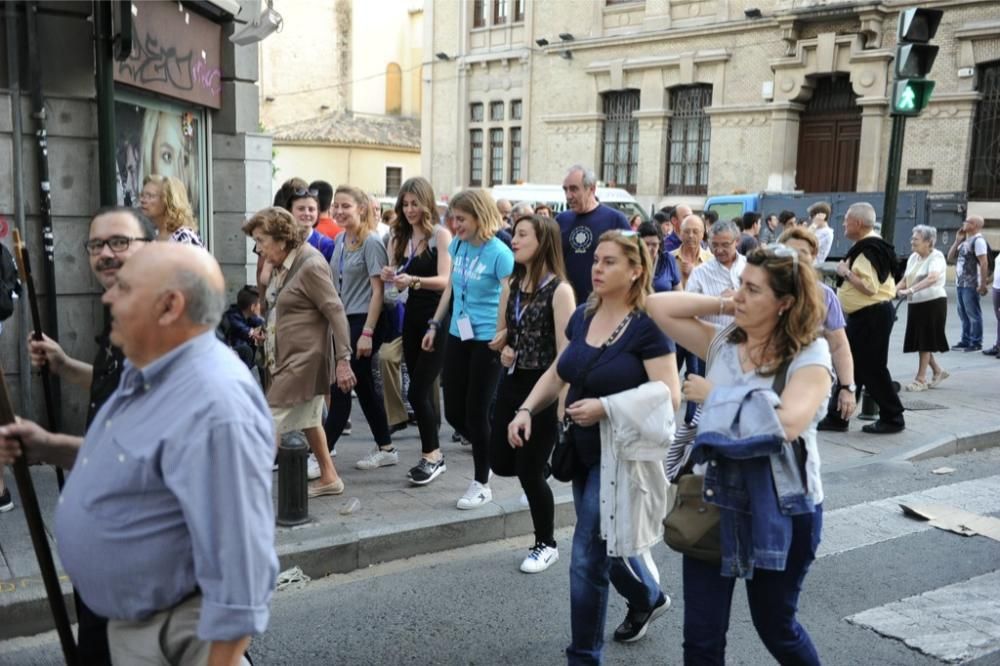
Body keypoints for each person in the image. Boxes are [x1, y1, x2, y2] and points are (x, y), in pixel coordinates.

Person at [0, 243, 279, 664]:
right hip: (138, 625)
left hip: (180, 635)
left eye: (125, 289)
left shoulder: (216, 404)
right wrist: (46, 446)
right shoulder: (146, 370)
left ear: (169, 306)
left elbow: (243, 572)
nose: (108, 296)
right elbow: (129, 462)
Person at [646, 246, 832, 666]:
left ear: (785, 303)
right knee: (701, 640)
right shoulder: (723, 343)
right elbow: (657, 306)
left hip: (782, 507)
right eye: (740, 285)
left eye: (752, 289)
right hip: (715, 500)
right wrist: (725, 303)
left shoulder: (810, 356)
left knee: (777, 628)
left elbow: (786, 425)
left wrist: (718, 397)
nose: (739, 296)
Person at [508, 230, 681, 662]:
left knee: (586, 555)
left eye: (609, 262)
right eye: (596, 260)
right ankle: (649, 596)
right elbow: (560, 369)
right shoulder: (584, 315)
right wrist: (527, 409)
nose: (596, 268)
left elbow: (670, 393)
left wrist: (607, 407)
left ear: (636, 270)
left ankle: (583, 656)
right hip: (580, 451)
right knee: (609, 544)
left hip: (621, 455)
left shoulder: (647, 326)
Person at [6, 206, 155, 664]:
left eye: (120, 243)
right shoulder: (121, 312)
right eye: (97, 245)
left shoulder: (160, 325)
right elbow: (119, 384)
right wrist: (66, 365)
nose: (106, 254)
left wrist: (49, 446)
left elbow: (146, 452)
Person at [244, 207, 355, 497]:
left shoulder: (310, 264)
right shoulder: (284, 265)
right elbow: (283, 307)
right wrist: (265, 331)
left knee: (266, 422)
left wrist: (344, 360)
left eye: (261, 240)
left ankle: (241, 492)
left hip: (303, 361)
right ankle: (329, 477)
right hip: (286, 357)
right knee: (309, 420)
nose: (258, 248)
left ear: (281, 239)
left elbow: (336, 312)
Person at [489, 215, 575, 573]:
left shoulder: (560, 291)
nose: (514, 240)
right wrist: (504, 346)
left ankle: (546, 543)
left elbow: (565, 356)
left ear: (543, 242)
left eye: (522, 235)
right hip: (511, 381)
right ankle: (539, 465)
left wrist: (560, 412)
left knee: (528, 472)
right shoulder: (513, 282)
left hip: (544, 389)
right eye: (516, 233)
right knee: (500, 461)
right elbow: (503, 333)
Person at [423, 189, 514, 508]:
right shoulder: (459, 245)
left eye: (461, 219)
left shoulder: (500, 252)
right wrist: (434, 324)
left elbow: (507, 295)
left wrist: (504, 334)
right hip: (457, 333)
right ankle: (499, 442)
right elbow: (451, 287)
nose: (455, 224)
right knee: (455, 413)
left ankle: (481, 482)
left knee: (476, 412)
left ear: (480, 217)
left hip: (487, 339)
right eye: (453, 218)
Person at [382, 177, 453, 484]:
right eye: (405, 204)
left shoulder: (440, 235)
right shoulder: (399, 236)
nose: (409, 209)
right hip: (411, 316)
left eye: (414, 203)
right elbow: (394, 275)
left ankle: (433, 455)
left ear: (426, 203)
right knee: (418, 389)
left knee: (417, 389)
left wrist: (412, 280)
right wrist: (392, 274)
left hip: (436, 317)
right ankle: (431, 453)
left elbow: (445, 280)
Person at [325, 186, 395, 469]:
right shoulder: (341, 239)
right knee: (363, 386)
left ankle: (322, 453)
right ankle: (387, 447)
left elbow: (378, 292)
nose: (339, 211)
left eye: (346, 206)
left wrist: (367, 333)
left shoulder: (371, 242)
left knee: (341, 384)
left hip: (364, 320)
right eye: (336, 206)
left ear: (361, 208)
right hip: (344, 320)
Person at [823, 202, 905, 435]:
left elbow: (869, 287)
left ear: (857, 223)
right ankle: (838, 417)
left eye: (846, 219)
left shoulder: (867, 250)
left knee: (871, 368)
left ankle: (893, 417)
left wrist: (845, 272)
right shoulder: (874, 245)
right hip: (871, 314)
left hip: (871, 314)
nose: (843, 224)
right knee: (854, 366)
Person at [779, 227, 858, 425]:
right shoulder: (766, 289)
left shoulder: (824, 296)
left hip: (809, 383)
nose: (796, 258)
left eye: (803, 253)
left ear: (813, 256)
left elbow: (839, 345)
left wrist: (848, 388)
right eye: (790, 252)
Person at [557, 164, 630, 302]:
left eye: (574, 189)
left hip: (604, 304)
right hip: (566, 303)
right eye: (565, 190)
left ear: (592, 189)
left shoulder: (616, 220)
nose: (568, 196)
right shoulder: (561, 220)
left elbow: (632, 260)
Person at [897, 225, 950, 390]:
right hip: (916, 304)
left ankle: (920, 380)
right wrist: (892, 291)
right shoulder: (914, 257)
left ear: (929, 242)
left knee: (925, 341)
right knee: (921, 340)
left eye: (916, 239)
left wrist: (911, 290)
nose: (912, 241)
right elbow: (906, 279)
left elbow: (932, 278)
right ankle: (937, 371)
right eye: (912, 238)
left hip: (933, 303)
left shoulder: (937, 257)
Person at [141, 109, 199, 212]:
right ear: (150, 159)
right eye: (167, 156)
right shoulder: (135, 224)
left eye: (185, 160)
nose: (178, 175)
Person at [947, 214, 990, 352]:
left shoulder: (978, 241)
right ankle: (965, 340)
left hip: (971, 284)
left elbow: (984, 263)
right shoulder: (965, 241)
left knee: (973, 314)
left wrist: (982, 284)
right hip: (960, 283)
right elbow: (950, 257)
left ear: (974, 225)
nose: (963, 223)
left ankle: (976, 342)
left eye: (967, 221)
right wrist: (957, 241)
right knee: (963, 313)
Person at [139, 174, 203, 246]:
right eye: (142, 195)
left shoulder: (185, 237)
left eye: (149, 196)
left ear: (168, 201)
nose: (142, 200)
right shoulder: (153, 237)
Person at [221, 285, 265, 370]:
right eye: (259, 303)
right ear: (252, 307)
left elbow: (261, 324)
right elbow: (245, 331)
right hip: (226, 353)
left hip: (235, 352)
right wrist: (256, 334)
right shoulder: (232, 316)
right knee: (246, 350)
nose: (261, 306)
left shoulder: (248, 316)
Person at [287, 187, 335, 262]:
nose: (306, 213)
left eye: (311, 209)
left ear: (318, 212)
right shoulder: (283, 241)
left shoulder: (326, 245)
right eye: (301, 209)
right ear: (290, 211)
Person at [637, 221, 681, 293]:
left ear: (660, 244)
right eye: (646, 244)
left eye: (654, 245)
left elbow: (679, 293)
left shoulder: (668, 260)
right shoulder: (632, 261)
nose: (649, 249)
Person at [672, 214, 712, 289]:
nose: (691, 235)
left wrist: (695, 273)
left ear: (703, 234)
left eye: (695, 232)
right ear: (680, 233)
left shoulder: (711, 260)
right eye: (687, 231)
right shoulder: (669, 258)